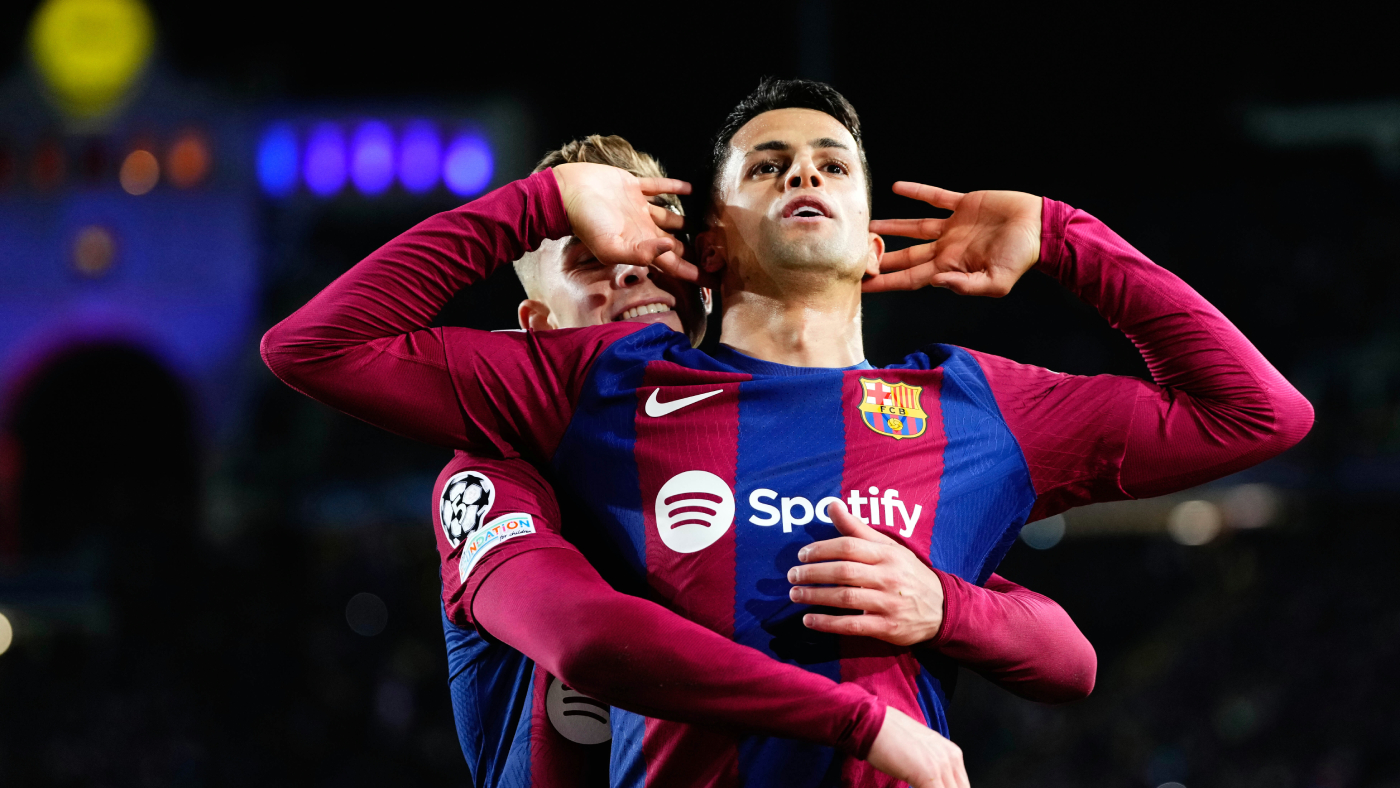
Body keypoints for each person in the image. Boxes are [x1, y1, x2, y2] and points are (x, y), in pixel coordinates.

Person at [262, 79, 1313, 787]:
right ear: (714, 245)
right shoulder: (581, 400)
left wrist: (1066, 238)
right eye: (766, 166)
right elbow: (315, 348)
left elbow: (1256, 417)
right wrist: (538, 201)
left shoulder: (971, 404)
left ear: (869, 240)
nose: (803, 175)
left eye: (831, 164)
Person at [429, 136, 1098, 788]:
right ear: (537, 324)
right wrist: (862, 723)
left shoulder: (736, 460)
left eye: (657, 248)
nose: (633, 269)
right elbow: (588, 638)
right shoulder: (495, 472)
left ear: (702, 285)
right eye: (590, 260)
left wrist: (946, 605)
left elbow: (1068, 658)